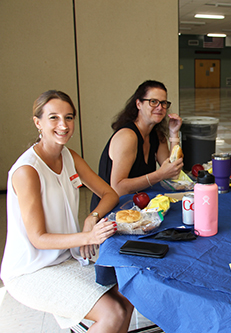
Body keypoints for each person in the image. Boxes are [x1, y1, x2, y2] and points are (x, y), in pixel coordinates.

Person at [1, 90, 134, 332]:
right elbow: (38, 239)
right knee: (113, 313)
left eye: (69, 117)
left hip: (65, 258)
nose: (63, 125)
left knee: (128, 294)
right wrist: (88, 237)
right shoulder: (27, 171)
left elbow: (110, 194)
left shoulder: (69, 156)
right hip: (32, 270)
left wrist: (91, 219)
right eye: (54, 117)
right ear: (37, 122)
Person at [90, 80, 183, 211]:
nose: (160, 107)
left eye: (163, 103)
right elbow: (118, 188)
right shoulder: (127, 136)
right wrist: (159, 175)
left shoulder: (157, 136)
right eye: (153, 102)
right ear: (138, 104)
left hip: (137, 204)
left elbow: (173, 172)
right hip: (110, 209)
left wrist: (174, 133)